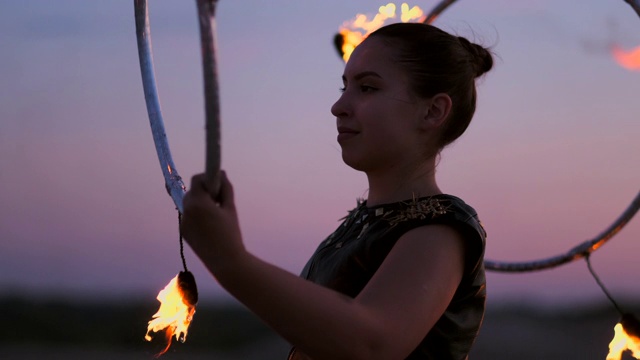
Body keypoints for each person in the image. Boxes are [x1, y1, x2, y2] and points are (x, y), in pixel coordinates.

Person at [181, 22, 493, 360]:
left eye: (368, 88)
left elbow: (371, 343)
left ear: (433, 111)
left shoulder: (440, 231)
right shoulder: (359, 226)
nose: (339, 106)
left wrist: (230, 260)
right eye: (344, 86)